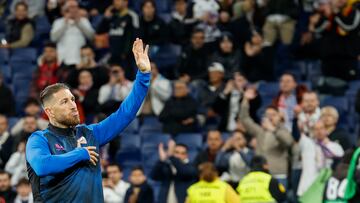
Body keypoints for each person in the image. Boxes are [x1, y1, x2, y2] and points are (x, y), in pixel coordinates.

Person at [25, 38, 151, 202]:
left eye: (72, 99)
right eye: (64, 102)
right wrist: (80, 154)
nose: (73, 105)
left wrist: (143, 76)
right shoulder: (39, 139)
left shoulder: (90, 133)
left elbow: (125, 114)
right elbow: (42, 166)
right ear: (50, 112)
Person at [240, 87, 293, 187]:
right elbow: (244, 119)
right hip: (260, 175)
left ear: (279, 117)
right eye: (268, 115)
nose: (270, 117)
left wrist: (273, 130)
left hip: (278, 175)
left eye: (273, 115)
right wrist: (245, 100)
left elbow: (288, 142)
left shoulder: (283, 130)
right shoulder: (260, 131)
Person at [297, 120, 344, 196]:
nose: (319, 131)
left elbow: (340, 155)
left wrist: (326, 145)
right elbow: (296, 135)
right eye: (316, 129)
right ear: (312, 131)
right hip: (308, 186)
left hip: (324, 187)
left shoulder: (334, 146)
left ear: (326, 130)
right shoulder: (307, 144)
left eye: (321, 128)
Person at [50, 0, 94, 65]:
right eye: (71, 7)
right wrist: (65, 23)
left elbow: (91, 36)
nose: (73, 10)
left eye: (75, 7)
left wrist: (79, 23)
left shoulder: (84, 21)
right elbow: (53, 38)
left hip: (80, 59)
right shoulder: (58, 22)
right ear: (65, 9)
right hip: (63, 58)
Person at [96, 0, 139, 65]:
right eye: (114, 1)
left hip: (126, 56)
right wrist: (106, 18)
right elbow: (99, 32)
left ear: (126, 2)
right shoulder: (112, 16)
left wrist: (126, 53)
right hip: (111, 54)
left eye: (118, 0)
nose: (115, 2)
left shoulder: (132, 16)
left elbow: (136, 36)